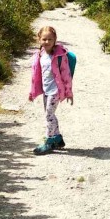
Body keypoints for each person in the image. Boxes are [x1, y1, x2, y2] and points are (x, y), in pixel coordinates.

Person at [28, 25, 75, 155]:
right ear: (39, 39)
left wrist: (69, 93)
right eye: (44, 39)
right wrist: (32, 92)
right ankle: (58, 138)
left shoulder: (60, 56)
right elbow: (35, 75)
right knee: (50, 115)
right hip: (46, 91)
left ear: (55, 40)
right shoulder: (40, 55)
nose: (47, 42)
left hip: (55, 91)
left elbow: (66, 75)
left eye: (50, 39)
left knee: (49, 115)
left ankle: (49, 142)